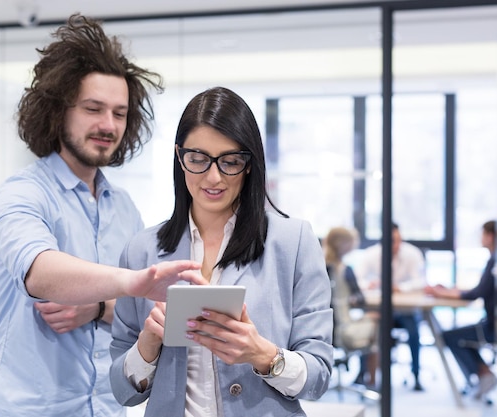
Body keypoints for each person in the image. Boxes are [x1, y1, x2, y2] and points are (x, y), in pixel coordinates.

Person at [0, 14, 209, 417]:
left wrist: (99, 306)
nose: (108, 125)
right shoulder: (20, 194)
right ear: (59, 111)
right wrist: (128, 283)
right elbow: (39, 272)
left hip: (106, 408)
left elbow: (139, 314)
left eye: (119, 113)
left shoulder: (123, 207)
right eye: (93, 108)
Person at [109, 86, 334, 416]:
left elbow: (320, 377)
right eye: (198, 159)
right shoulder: (142, 250)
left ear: (248, 165)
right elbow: (121, 391)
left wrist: (264, 355)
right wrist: (147, 344)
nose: (213, 177)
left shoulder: (293, 241)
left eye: (229, 161)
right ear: (179, 157)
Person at [425, 220, 497, 400]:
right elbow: (481, 290)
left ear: (491, 236)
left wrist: (442, 293)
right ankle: (483, 373)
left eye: (483, 234)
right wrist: (448, 291)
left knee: (449, 336)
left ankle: (483, 374)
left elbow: (475, 294)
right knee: (457, 335)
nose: (481, 238)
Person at [354, 222, 426, 391]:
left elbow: (421, 281)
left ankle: (416, 375)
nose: (397, 244)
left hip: (405, 311)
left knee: (414, 332)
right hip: (380, 310)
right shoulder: (371, 255)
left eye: (399, 240)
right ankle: (363, 374)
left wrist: (400, 287)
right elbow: (358, 280)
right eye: (393, 240)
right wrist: (370, 284)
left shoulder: (412, 254)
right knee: (370, 328)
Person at [323, 227, 379, 388]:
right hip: (344, 330)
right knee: (377, 319)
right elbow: (359, 300)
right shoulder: (346, 270)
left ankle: (362, 375)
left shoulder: (319, 267)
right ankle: (370, 379)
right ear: (345, 245)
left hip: (323, 329)